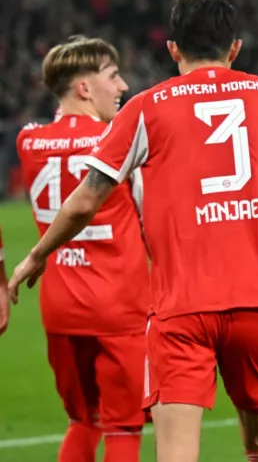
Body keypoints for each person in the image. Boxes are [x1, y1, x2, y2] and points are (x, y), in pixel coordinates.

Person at [9, 0, 258, 462]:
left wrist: (36, 256)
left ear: (173, 50)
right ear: (235, 48)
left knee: (176, 453)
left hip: (180, 311)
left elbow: (84, 202)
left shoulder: (145, 109)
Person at [13, 36, 149, 462]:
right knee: (123, 427)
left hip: (60, 308)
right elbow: (151, 221)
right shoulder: (119, 142)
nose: (123, 85)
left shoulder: (27, 140)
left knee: (83, 422)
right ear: (84, 88)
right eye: (113, 76)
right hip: (120, 309)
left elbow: (57, 132)